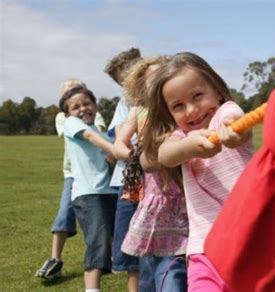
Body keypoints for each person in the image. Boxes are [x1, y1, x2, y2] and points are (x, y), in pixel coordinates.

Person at [140, 52, 253, 291]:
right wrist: (188, 147)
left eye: (198, 96)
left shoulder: (225, 112)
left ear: (217, 91)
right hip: (204, 248)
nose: (191, 110)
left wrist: (232, 133)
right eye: (178, 106)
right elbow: (164, 155)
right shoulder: (180, 136)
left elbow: (236, 123)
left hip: (253, 239)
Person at [117, 56, 188, 292]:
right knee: (150, 265)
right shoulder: (139, 110)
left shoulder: (178, 106)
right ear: (141, 87)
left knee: (175, 264)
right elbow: (120, 145)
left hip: (185, 193)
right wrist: (141, 158)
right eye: (151, 79)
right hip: (155, 193)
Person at [35, 79, 106, 280]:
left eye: (76, 88)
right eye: (67, 91)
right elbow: (81, 132)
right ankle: (55, 258)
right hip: (73, 174)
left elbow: (98, 131)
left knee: (105, 219)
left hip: (95, 172)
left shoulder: (94, 112)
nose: (72, 92)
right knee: (64, 214)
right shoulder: (64, 118)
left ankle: (108, 258)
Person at [61, 86, 117, 292]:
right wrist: (114, 149)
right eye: (76, 107)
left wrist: (113, 154)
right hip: (88, 194)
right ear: (68, 113)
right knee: (98, 242)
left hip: (110, 193)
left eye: (87, 103)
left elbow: (109, 160)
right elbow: (91, 138)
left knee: (115, 241)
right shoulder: (71, 124)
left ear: (95, 105)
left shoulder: (102, 133)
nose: (83, 109)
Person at [104, 47, 142, 292]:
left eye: (129, 75)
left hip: (161, 177)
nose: (127, 84)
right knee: (131, 242)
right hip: (129, 179)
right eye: (121, 81)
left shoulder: (163, 92)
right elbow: (119, 137)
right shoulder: (124, 103)